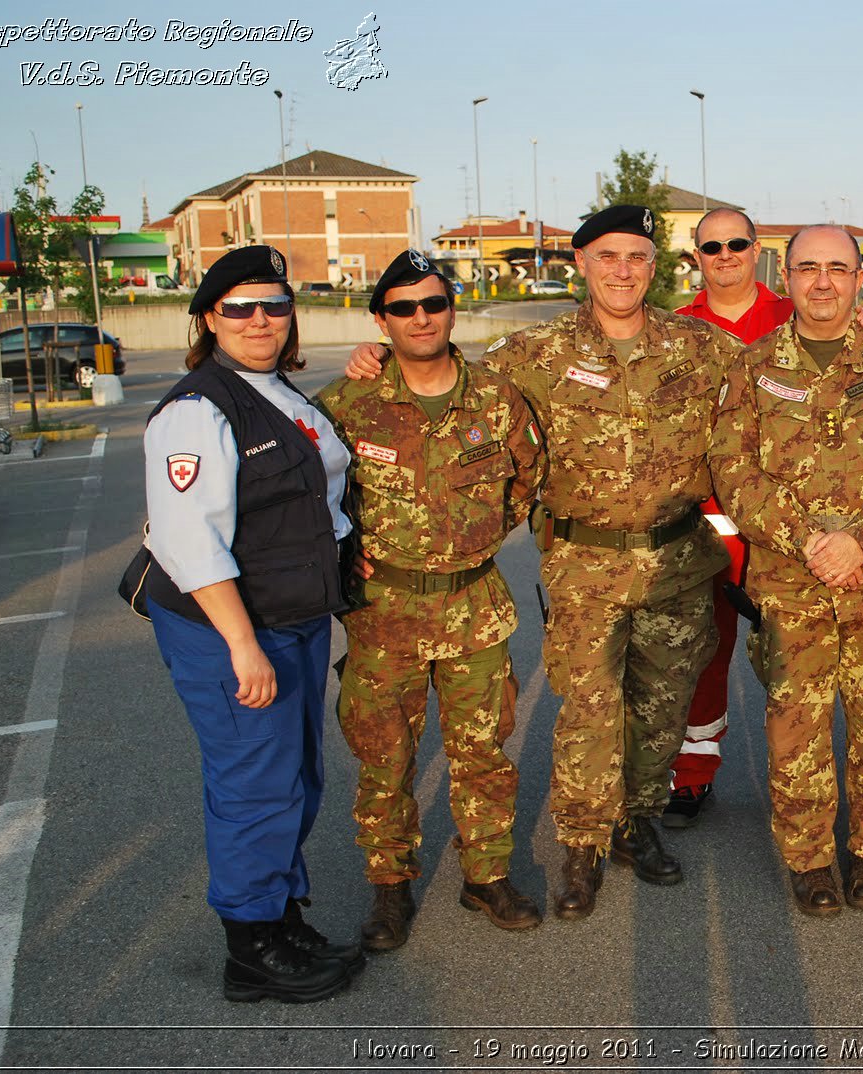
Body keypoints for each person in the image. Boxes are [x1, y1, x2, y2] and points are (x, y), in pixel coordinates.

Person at [344, 206, 735, 920]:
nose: (624, 270)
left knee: (660, 708)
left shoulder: (701, 347)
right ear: (580, 262)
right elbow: (448, 387)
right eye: (609, 256)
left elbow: (777, 379)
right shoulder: (533, 353)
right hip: (584, 563)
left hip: (679, 560)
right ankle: (582, 848)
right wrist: (377, 360)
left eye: (639, 257)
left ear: (656, 266)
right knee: (588, 710)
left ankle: (635, 821)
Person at [139, 245, 359, 1003]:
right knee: (254, 784)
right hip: (230, 627)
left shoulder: (279, 392)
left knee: (296, 774)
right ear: (208, 318)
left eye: (273, 305)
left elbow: (321, 502)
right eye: (238, 308)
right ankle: (251, 949)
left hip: (290, 615)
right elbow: (185, 538)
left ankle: (280, 913)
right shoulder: (197, 410)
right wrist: (240, 644)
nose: (258, 320)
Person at [316, 250, 547, 950]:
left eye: (434, 303)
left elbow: (524, 486)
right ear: (381, 320)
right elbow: (314, 499)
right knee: (385, 759)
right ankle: (390, 888)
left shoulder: (498, 400)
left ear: (452, 309)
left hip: (474, 607)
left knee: (483, 752)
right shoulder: (346, 405)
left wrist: (464, 545)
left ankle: (487, 875)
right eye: (404, 307)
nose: (422, 318)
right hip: (383, 614)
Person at [711, 225, 863, 917]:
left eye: (838, 268)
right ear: (788, 273)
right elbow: (733, 468)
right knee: (796, 730)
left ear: (860, 273)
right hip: (792, 587)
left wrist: (861, 539)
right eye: (808, 267)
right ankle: (808, 859)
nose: (823, 282)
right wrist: (810, 539)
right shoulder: (754, 367)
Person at [662, 207, 795, 828]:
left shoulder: (795, 317)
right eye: (710, 246)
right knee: (703, 654)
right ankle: (692, 774)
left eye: (736, 243)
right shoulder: (675, 330)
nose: (725, 255)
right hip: (706, 525)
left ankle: (801, 782)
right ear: (697, 256)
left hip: (787, 526)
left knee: (797, 660)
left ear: (757, 247)